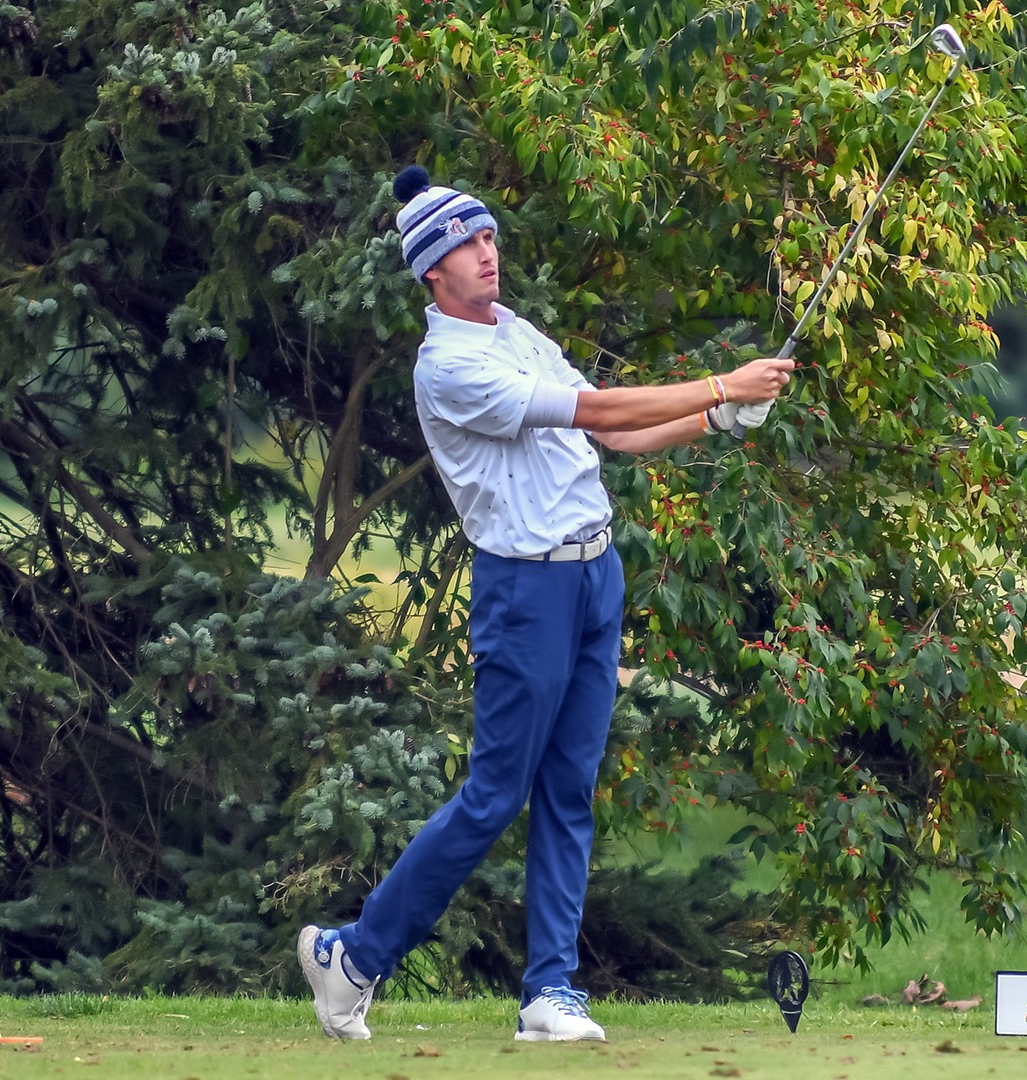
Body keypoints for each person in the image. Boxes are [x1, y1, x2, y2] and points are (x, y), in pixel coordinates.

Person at [298, 165, 795, 1043]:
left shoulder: (512, 329)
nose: (487, 252)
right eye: (465, 243)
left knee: (570, 790)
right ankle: (356, 957)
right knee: (495, 795)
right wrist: (720, 386)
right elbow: (598, 402)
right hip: (525, 589)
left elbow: (612, 432)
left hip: (594, 575)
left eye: (488, 236)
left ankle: (549, 995)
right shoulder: (450, 366)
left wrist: (717, 420)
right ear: (431, 272)